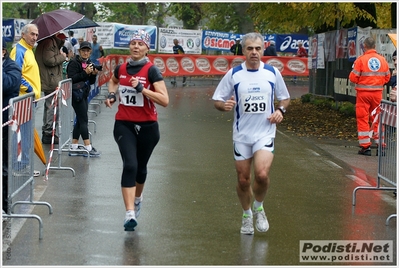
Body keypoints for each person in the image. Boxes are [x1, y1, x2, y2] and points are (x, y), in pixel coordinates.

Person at [212, 32, 290, 235]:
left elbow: (285, 98)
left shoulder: (272, 73)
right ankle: (247, 215)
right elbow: (218, 100)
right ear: (243, 51)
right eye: (249, 48)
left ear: (263, 50)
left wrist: (280, 111)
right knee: (243, 179)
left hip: (265, 132)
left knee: (262, 175)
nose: (254, 52)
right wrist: (224, 105)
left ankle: (259, 207)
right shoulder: (234, 74)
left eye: (257, 48)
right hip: (242, 135)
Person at [104, 30, 169, 232]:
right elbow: (113, 81)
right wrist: (112, 95)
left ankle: (138, 198)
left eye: (140, 44)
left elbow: (165, 100)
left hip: (149, 127)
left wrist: (142, 90)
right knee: (130, 165)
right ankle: (129, 213)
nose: (136, 47)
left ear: (147, 48)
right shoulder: (122, 68)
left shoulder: (152, 71)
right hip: (124, 124)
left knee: (141, 169)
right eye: (133, 43)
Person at [349, 36, 390, 156]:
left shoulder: (360, 60)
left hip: (363, 94)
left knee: (362, 118)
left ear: (364, 46)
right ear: (375, 46)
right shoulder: (382, 60)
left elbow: (353, 77)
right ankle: (380, 146)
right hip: (377, 94)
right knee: (377, 119)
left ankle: (365, 147)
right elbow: (387, 77)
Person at [66, 41, 101, 157]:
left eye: (87, 51)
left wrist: (94, 74)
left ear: (90, 52)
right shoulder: (73, 63)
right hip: (75, 95)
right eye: (83, 50)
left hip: (83, 94)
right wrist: (85, 73)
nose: (85, 53)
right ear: (79, 51)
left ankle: (74, 145)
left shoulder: (89, 62)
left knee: (80, 120)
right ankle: (88, 146)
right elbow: (72, 79)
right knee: (84, 120)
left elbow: (90, 82)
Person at [34, 31, 67, 144]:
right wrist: (62, 57)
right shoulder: (49, 42)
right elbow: (49, 60)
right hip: (50, 79)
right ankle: (48, 132)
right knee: (51, 106)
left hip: (50, 78)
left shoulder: (51, 42)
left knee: (51, 105)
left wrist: (60, 42)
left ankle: (48, 131)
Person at [2, 36, 22, 213]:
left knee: (3, 166)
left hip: (5, 123)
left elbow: (5, 85)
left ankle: (4, 206)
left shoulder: (12, 67)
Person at [9, 24, 41, 100]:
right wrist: (31, 90)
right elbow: (15, 77)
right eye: (32, 34)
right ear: (23, 35)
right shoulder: (19, 51)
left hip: (29, 98)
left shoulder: (29, 49)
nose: (35, 38)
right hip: (23, 100)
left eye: (37, 35)